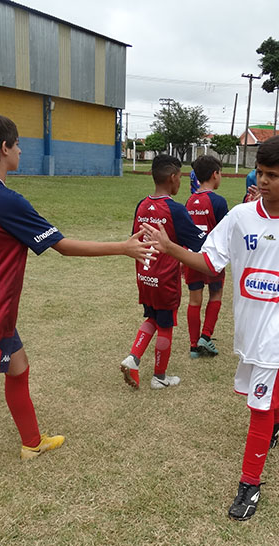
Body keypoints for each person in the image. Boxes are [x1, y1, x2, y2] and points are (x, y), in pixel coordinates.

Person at [0, 111, 155, 506]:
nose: (21, 150)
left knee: (19, 368)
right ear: (4, 149)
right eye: (18, 144)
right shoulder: (6, 200)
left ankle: (32, 442)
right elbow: (63, 246)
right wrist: (122, 247)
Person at [141, 135, 279, 521]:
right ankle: (277, 417)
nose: (263, 181)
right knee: (264, 398)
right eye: (260, 172)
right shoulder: (240, 216)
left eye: (273, 175)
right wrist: (170, 247)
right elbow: (209, 262)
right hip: (247, 329)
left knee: (257, 405)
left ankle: (249, 484)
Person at [120, 154, 206, 390]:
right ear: (172, 177)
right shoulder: (175, 210)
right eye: (180, 177)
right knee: (165, 325)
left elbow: (134, 238)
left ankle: (133, 358)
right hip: (165, 278)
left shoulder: (142, 205)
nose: (181, 181)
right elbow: (200, 242)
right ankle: (159, 377)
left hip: (144, 275)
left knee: (152, 317)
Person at [185, 155, 229, 358]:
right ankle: (206, 336)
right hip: (212, 259)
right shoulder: (218, 202)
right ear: (214, 174)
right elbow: (225, 231)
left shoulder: (190, 201)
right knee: (216, 294)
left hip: (192, 258)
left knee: (194, 300)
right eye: (220, 173)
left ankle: (194, 346)